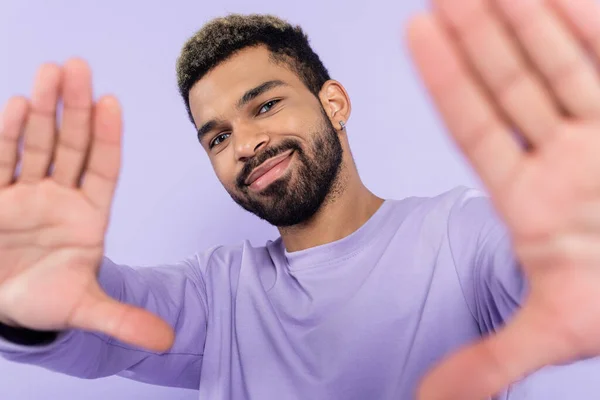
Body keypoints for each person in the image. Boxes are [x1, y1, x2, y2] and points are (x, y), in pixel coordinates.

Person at [2, 1, 600, 398]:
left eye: (265, 105)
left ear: (333, 104)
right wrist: (28, 302)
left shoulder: (460, 234)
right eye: (218, 136)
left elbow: (545, 273)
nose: (247, 145)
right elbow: (106, 322)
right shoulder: (217, 296)